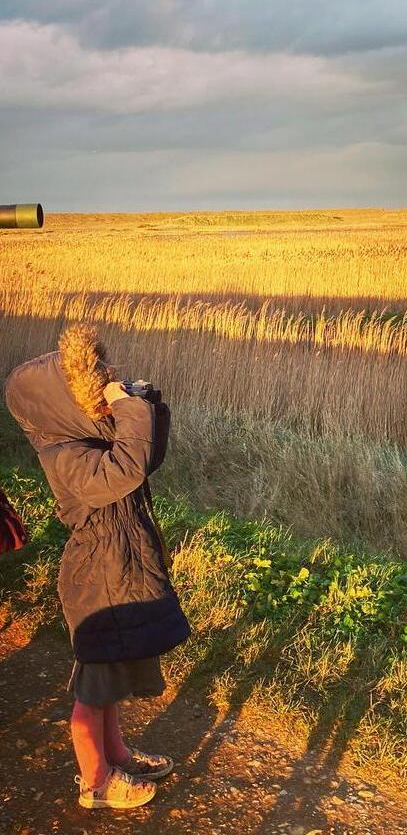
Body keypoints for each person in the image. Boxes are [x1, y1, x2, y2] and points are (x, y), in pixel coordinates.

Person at [3, 323, 191, 810]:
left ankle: (117, 756)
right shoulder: (63, 454)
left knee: (113, 681)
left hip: (120, 567)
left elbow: (146, 456)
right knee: (94, 687)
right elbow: (126, 469)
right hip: (96, 576)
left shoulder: (90, 437)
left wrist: (144, 403)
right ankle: (96, 784)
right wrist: (128, 412)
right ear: (56, 404)